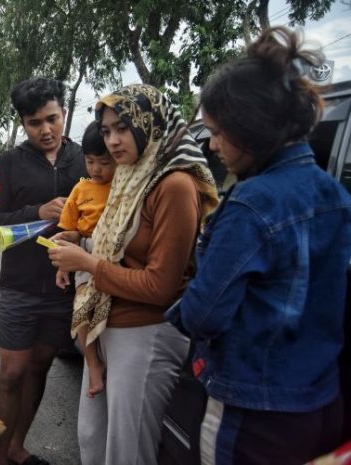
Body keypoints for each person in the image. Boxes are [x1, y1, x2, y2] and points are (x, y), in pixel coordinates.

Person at [165, 27, 351, 464]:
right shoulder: (337, 197)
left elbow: (204, 314)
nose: (211, 145)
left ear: (248, 127)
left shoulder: (252, 204)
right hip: (321, 401)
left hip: (252, 410)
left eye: (216, 132)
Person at [47, 83, 219, 465]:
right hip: (109, 321)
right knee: (95, 439)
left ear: (150, 124)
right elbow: (118, 245)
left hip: (148, 331)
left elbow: (160, 286)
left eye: (123, 127)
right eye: (107, 130)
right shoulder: (130, 175)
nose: (112, 141)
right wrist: (78, 240)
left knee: (127, 452)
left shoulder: (173, 184)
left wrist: (88, 265)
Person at [0, 77, 88, 465]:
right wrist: (37, 213)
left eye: (52, 118)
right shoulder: (9, 164)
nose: (45, 130)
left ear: (64, 113)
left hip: (64, 292)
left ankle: (16, 448)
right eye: (34, 122)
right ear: (23, 124)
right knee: (11, 375)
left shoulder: (82, 160)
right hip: (20, 288)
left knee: (40, 369)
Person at [53, 122, 116, 398]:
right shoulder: (80, 190)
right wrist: (63, 260)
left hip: (113, 256)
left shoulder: (125, 188)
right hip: (84, 252)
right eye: (90, 162)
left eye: (104, 162)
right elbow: (71, 232)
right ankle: (92, 364)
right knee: (80, 311)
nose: (96, 169)